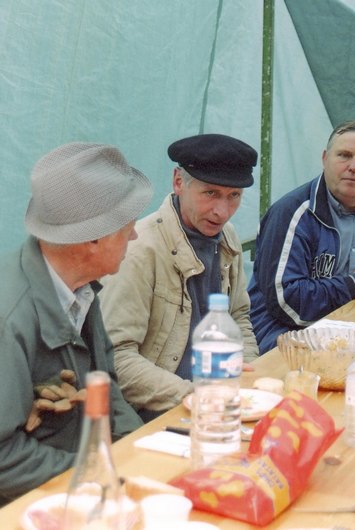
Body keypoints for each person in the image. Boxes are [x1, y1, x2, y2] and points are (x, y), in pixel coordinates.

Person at [0, 143, 151, 502]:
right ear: (93, 239)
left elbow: (105, 387)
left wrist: (138, 454)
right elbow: (3, 460)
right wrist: (99, 477)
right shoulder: (10, 320)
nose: (134, 235)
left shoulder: (78, 287)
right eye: (127, 224)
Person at [100, 134, 259, 421]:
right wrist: (190, 395)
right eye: (210, 193)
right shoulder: (139, 251)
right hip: (153, 412)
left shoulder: (228, 236)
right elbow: (116, 358)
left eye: (234, 196)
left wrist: (248, 379)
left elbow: (239, 317)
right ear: (178, 182)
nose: (222, 211)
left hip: (216, 400)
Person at [248, 120, 355, 353]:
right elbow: (286, 302)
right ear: (325, 159)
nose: (353, 166)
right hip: (286, 334)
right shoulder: (292, 213)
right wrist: (354, 285)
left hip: (354, 321)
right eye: (344, 155)